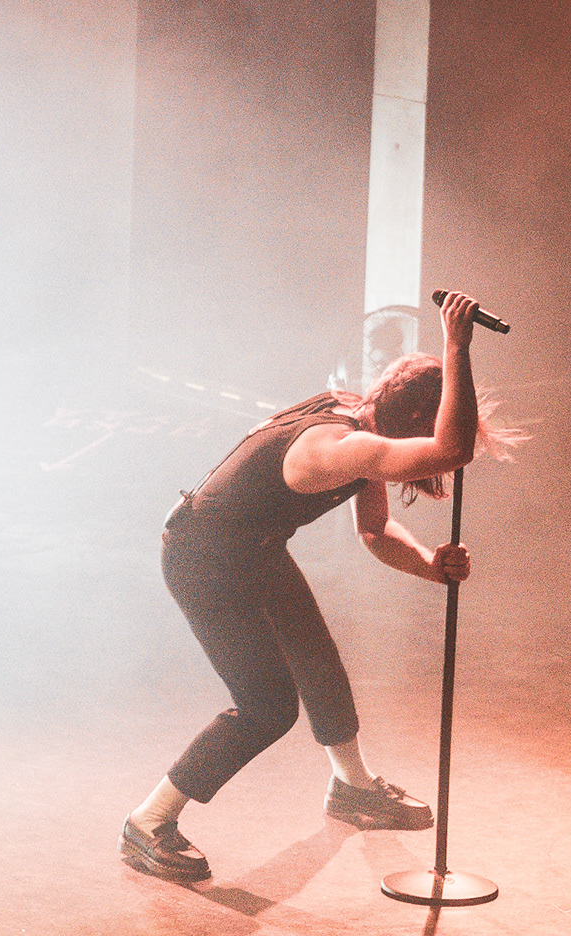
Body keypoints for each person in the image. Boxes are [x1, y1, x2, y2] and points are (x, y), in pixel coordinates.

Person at [121, 290, 521, 881]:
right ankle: (148, 821)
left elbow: (376, 531)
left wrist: (429, 565)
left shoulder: (360, 424)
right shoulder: (341, 446)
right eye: (426, 428)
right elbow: (451, 448)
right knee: (267, 707)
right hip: (202, 557)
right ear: (414, 422)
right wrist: (456, 346)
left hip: (250, 548)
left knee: (316, 655)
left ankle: (352, 787)